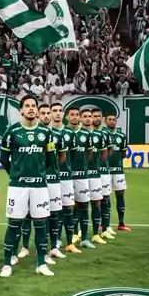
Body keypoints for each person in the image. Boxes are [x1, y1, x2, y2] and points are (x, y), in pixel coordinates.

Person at [0, 94, 54, 278]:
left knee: (40, 225)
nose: (31, 108)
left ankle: (41, 264)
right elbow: (3, 159)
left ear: (37, 110)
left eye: (33, 106)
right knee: (13, 224)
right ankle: (7, 264)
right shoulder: (12, 132)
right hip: (18, 186)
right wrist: (16, 174)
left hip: (39, 186)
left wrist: (38, 172)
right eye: (27, 106)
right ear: (21, 110)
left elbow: (50, 159)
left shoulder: (46, 133)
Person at [50, 101, 80, 254]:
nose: (57, 113)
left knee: (68, 208)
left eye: (59, 110)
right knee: (53, 211)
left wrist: (66, 168)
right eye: (54, 110)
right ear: (50, 113)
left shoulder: (70, 133)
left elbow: (72, 156)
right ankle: (55, 240)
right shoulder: (47, 133)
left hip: (66, 176)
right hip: (51, 177)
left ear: (63, 114)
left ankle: (70, 242)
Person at [66, 107, 96, 250]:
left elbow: (89, 153)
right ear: (67, 117)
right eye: (72, 115)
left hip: (82, 176)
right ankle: (69, 236)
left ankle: (84, 238)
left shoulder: (86, 134)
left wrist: (82, 165)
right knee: (66, 208)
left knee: (83, 206)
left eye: (77, 115)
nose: (75, 117)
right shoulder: (63, 133)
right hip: (66, 176)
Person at [38, 104, 65, 262]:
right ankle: (26, 247)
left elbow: (62, 156)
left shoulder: (57, 135)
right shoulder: (35, 133)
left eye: (48, 113)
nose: (46, 116)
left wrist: (53, 168)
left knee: (54, 214)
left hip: (54, 180)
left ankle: (54, 247)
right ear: (38, 115)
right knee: (35, 216)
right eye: (43, 113)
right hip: (38, 180)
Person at [80, 108, 107, 246]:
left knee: (96, 203)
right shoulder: (77, 134)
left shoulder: (99, 135)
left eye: (89, 116)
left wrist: (96, 165)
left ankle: (96, 234)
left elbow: (104, 153)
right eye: (85, 116)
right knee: (80, 204)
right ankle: (78, 233)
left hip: (95, 175)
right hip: (81, 175)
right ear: (81, 118)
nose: (88, 118)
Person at [91, 108, 116, 240]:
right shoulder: (85, 133)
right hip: (89, 172)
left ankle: (105, 228)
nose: (96, 118)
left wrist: (101, 162)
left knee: (105, 199)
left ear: (101, 118)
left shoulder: (106, 133)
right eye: (94, 116)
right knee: (83, 202)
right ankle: (79, 231)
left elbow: (109, 150)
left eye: (98, 116)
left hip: (104, 171)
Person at [105, 112, 130, 231]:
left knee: (120, 195)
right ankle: (105, 224)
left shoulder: (121, 136)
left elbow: (123, 154)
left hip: (118, 171)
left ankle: (121, 223)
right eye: (109, 119)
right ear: (105, 121)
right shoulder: (102, 135)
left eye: (114, 119)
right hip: (105, 171)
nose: (112, 121)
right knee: (105, 197)